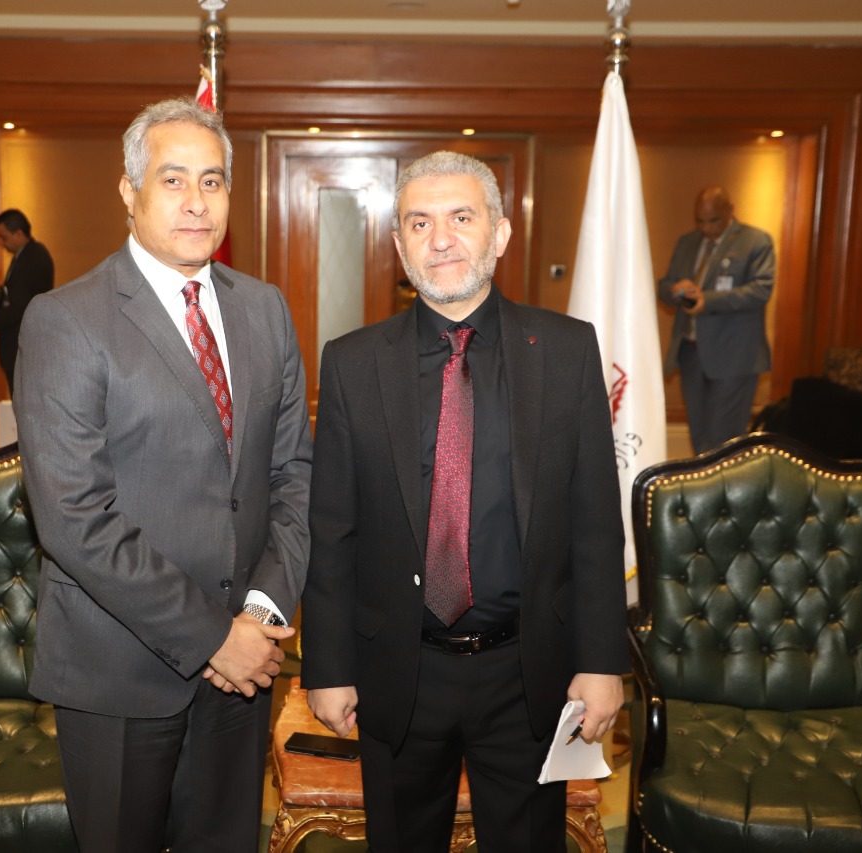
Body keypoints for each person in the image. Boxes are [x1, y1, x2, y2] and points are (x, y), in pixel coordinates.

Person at [301, 151, 628, 852]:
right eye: (419, 223)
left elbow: (596, 523)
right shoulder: (353, 362)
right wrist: (327, 668)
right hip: (398, 670)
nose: (440, 239)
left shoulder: (566, 350)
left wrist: (603, 659)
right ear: (399, 245)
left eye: (460, 217)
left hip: (528, 671)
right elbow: (331, 531)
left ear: (500, 233)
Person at [13, 98, 312, 852]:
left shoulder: (266, 309)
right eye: (173, 179)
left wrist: (260, 612)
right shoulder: (65, 319)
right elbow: (74, 518)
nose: (196, 201)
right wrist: (214, 637)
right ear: (130, 190)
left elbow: (293, 473)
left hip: (245, 666)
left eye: (212, 181)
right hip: (119, 670)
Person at [658, 186, 775, 454]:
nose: (706, 228)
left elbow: (760, 290)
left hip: (734, 356)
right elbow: (664, 286)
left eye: (713, 221)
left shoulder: (756, 241)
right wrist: (675, 289)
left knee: (723, 440)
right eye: (700, 221)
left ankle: (725, 484)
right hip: (691, 354)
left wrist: (707, 301)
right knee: (699, 438)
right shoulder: (687, 242)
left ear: (729, 210)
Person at [0, 208, 54, 393]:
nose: (1, 243)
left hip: (23, 345)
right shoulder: (30, 254)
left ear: (18, 234)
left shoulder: (29, 261)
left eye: (3, 237)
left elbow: (18, 307)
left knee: (23, 400)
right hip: (25, 344)